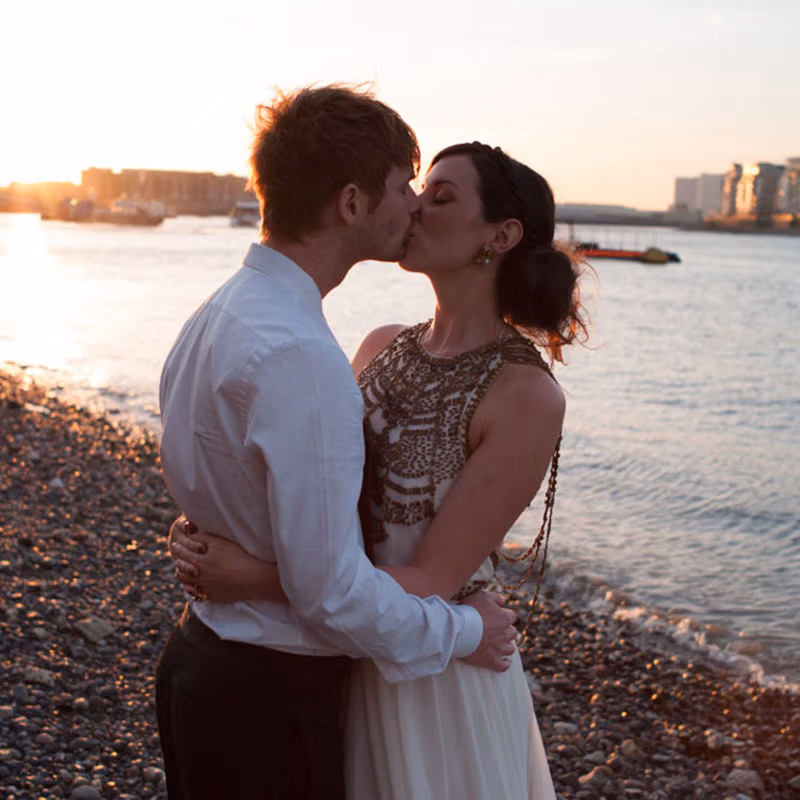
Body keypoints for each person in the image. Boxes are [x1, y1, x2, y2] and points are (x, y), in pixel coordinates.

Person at [169, 140, 589, 799]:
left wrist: (251, 576)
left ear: (502, 235)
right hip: (345, 651)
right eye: (418, 189)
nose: (416, 207)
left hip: (436, 677)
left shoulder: (526, 395)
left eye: (442, 197)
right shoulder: (379, 344)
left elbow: (432, 577)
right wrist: (211, 515)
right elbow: (309, 481)